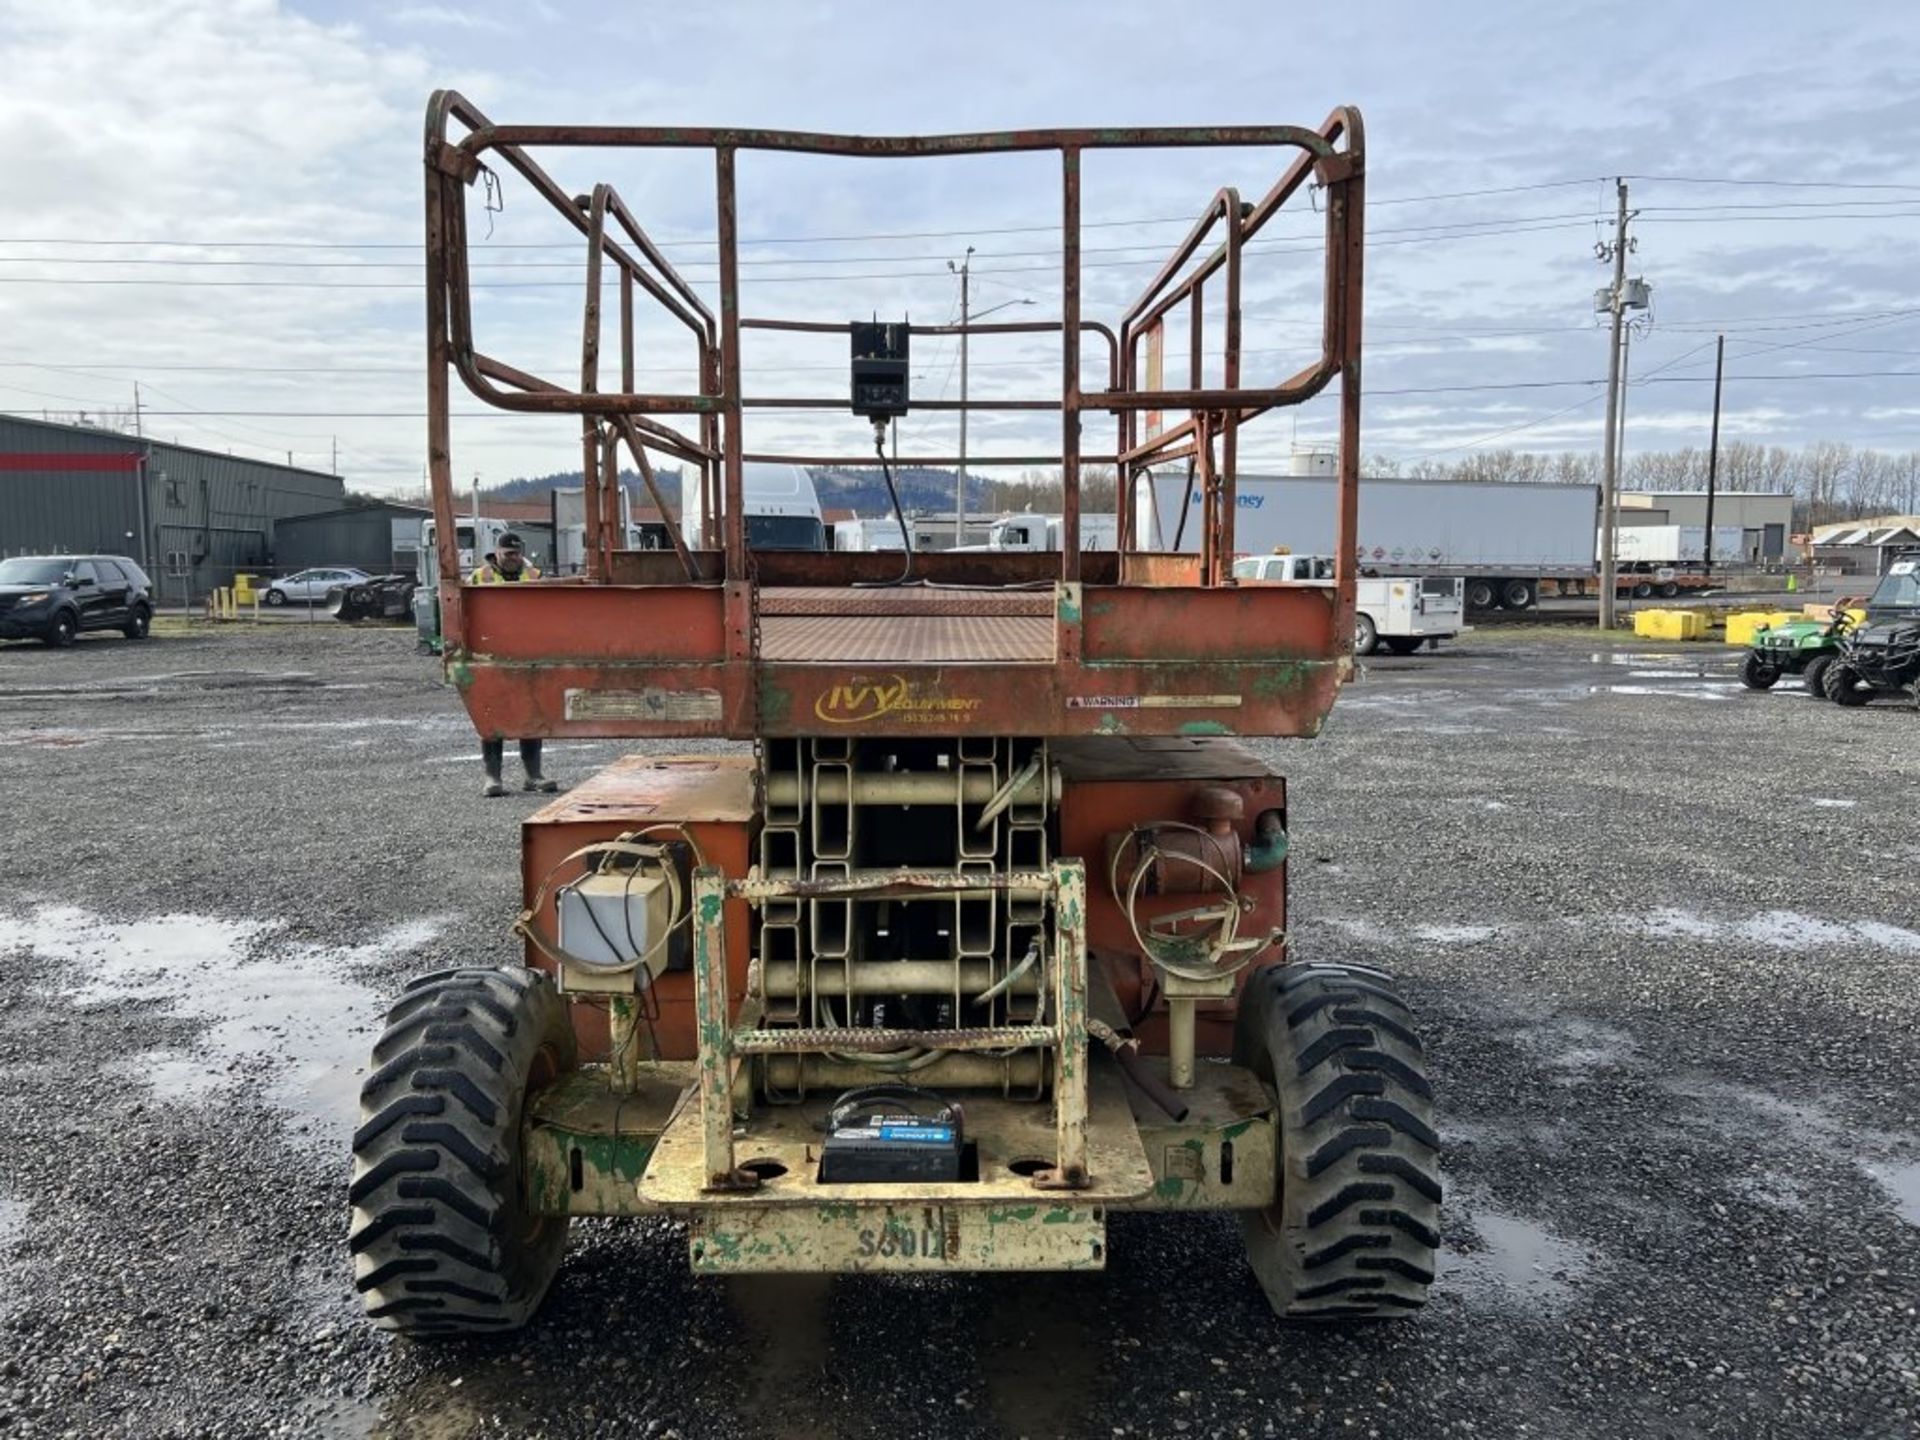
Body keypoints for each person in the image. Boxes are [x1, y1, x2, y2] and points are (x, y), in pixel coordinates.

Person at [468, 533, 560, 798]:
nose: (514, 558)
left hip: (527, 654)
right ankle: (493, 777)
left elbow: (548, 612)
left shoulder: (534, 576)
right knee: (491, 717)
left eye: (517, 553)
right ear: (497, 553)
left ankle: (533, 776)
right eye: (508, 554)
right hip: (490, 656)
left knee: (530, 714)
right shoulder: (479, 577)